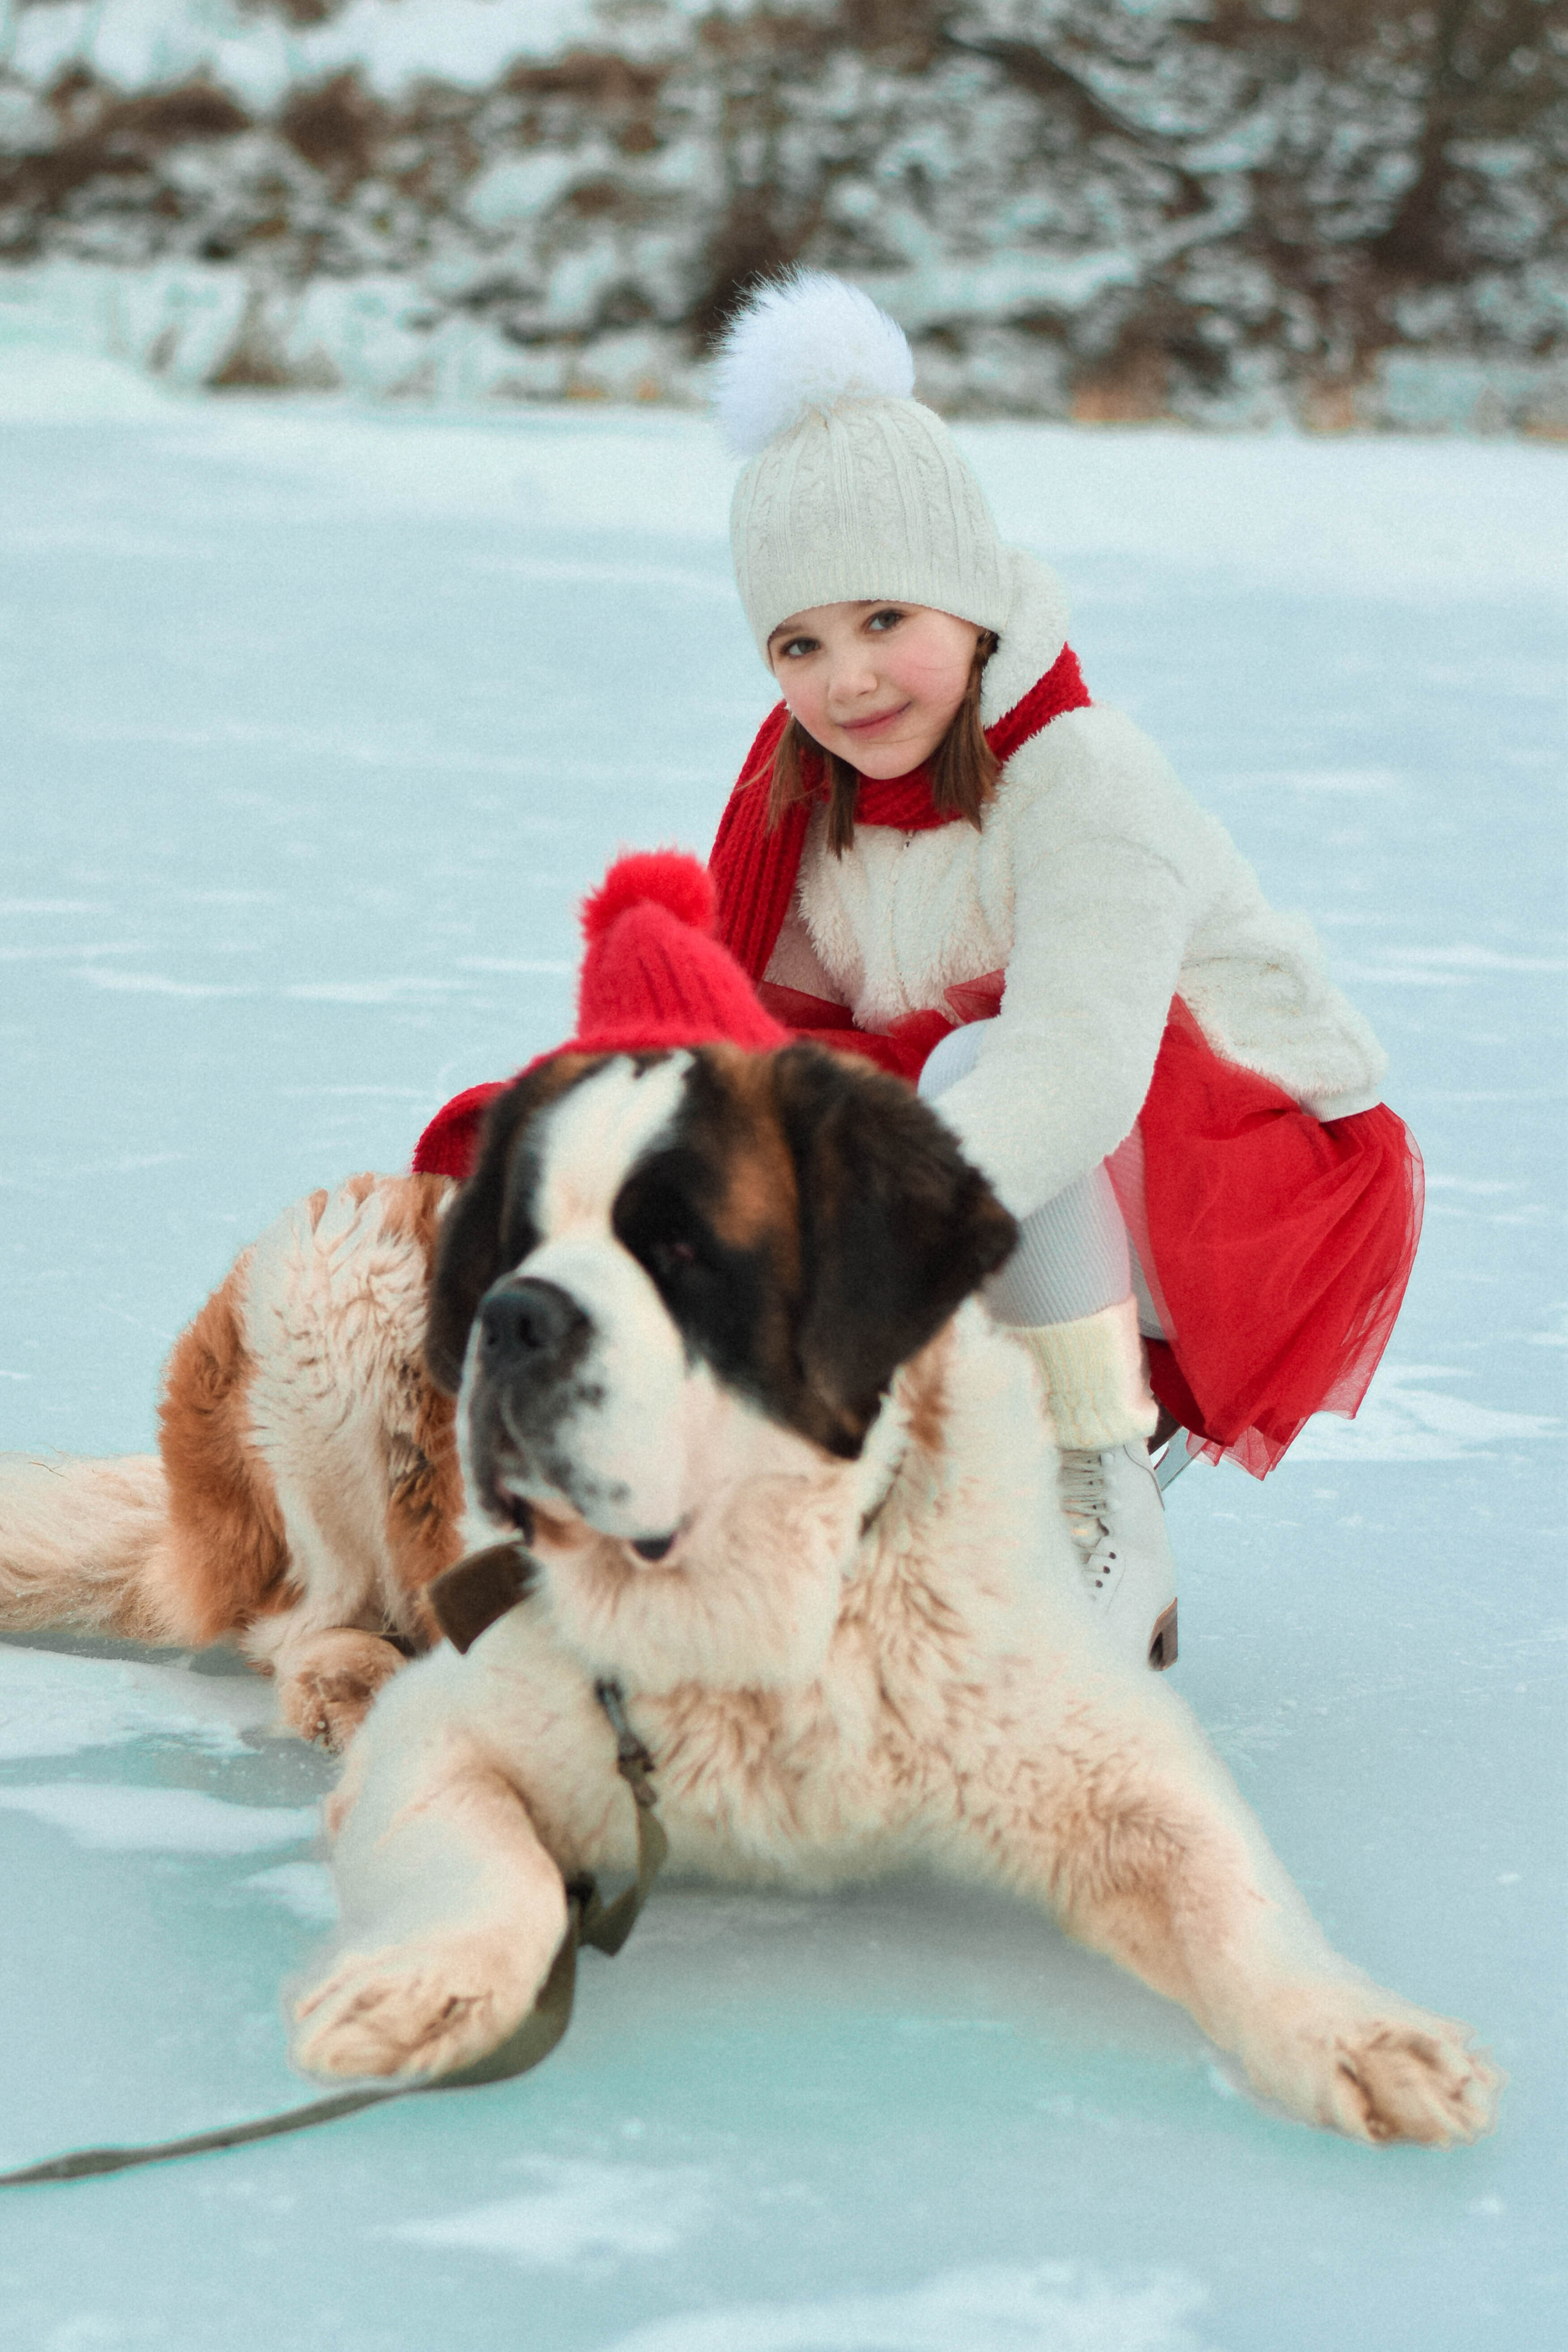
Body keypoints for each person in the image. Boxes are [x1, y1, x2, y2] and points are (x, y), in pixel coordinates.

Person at [704, 273, 1422, 1668]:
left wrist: (847, 1246)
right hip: (1030, 1191)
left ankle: (1105, 1477)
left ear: (968, 601)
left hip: (1237, 1180)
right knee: (790, 1107)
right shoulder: (816, 812)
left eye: (883, 619)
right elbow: (768, 1047)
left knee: (968, 1071)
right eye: (799, 642)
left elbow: (1070, 1079)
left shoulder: (1082, 777)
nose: (847, 680)